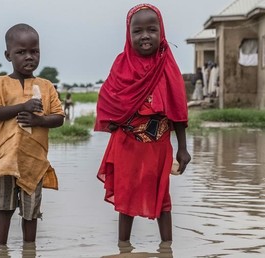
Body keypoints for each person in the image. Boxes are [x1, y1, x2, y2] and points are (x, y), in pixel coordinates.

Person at [94, 3, 191, 244]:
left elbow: (178, 108)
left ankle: (166, 248)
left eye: (151, 30)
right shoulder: (121, 64)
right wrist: (115, 119)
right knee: (126, 197)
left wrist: (183, 148)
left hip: (159, 144)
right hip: (127, 143)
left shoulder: (167, 64)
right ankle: (123, 247)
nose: (145, 36)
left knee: (163, 197)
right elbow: (107, 98)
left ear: (162, 32)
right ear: (129, 34)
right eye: (137, 31)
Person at [0, 23, 64, 247]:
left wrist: (39, 120)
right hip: (6, 161)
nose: (29, 57)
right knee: (5, 209)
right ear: (8, 55)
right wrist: (23, 106)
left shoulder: (46, 86)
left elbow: (59, 117)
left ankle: (30, 250)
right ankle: (0, 249)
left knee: (31, 213)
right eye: (21, 52)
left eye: (34, 51)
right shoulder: (0, 83)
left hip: (34, 161)